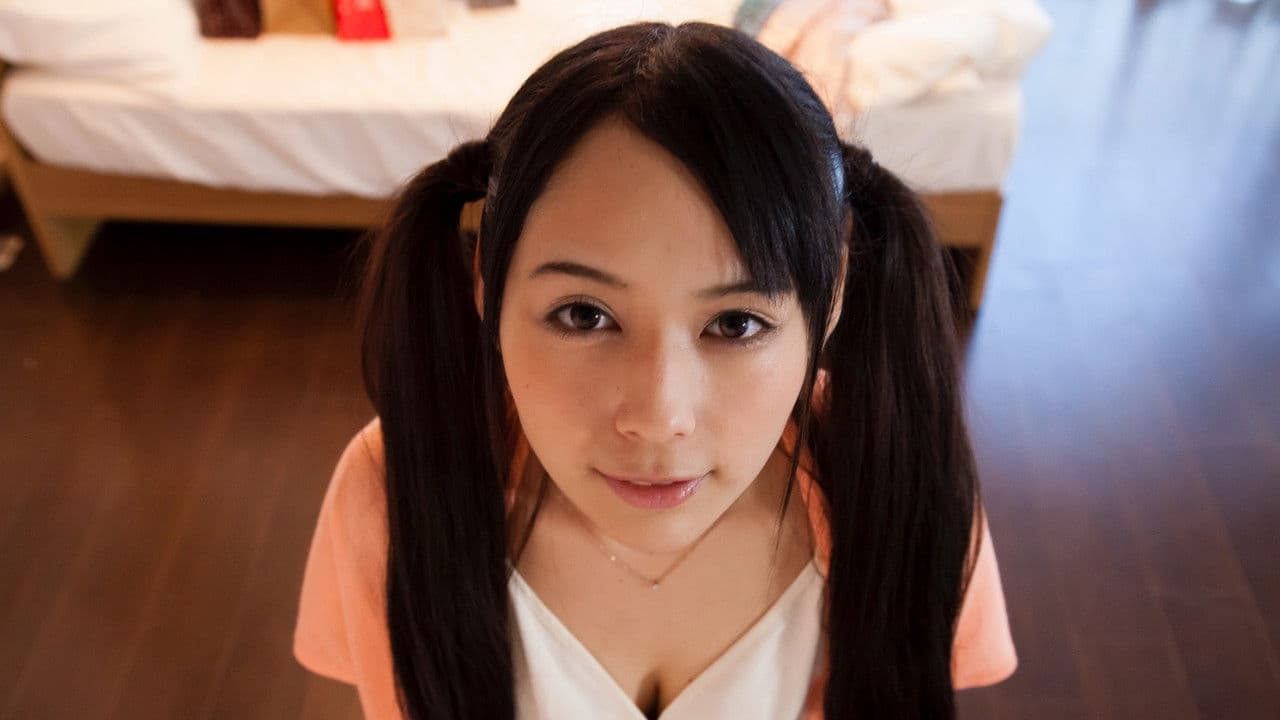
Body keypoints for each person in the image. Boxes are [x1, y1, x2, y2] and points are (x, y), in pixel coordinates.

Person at [293, 20, 1016, 720]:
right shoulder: (396, 487)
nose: (658, 417)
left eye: (735, 324)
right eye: (584, 315)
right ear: (489, 284)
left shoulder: (899, 479)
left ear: (830, 303)